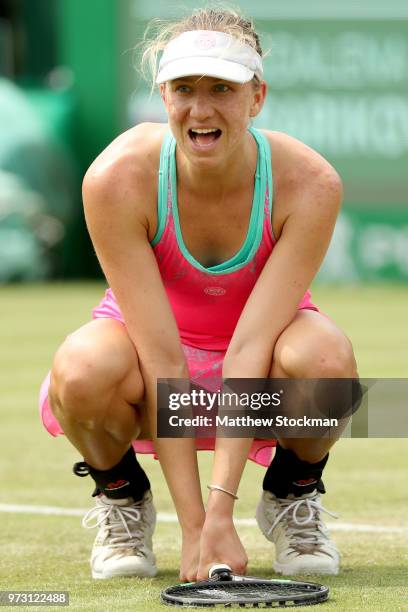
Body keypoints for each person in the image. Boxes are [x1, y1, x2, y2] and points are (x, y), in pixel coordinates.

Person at [38, 7, 358, 582]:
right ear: (162, 95)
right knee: (82, 368)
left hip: (257, 370)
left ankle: (292, 493)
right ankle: (123, 499)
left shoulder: (311, 182)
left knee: (328, 365)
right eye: (184, 88)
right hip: (153, 369)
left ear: (256, 96)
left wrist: (221, 511)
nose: (201, 109)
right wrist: (195, 527)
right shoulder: (115, 177)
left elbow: (250, 347)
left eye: (223, 89)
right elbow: (162, 360)